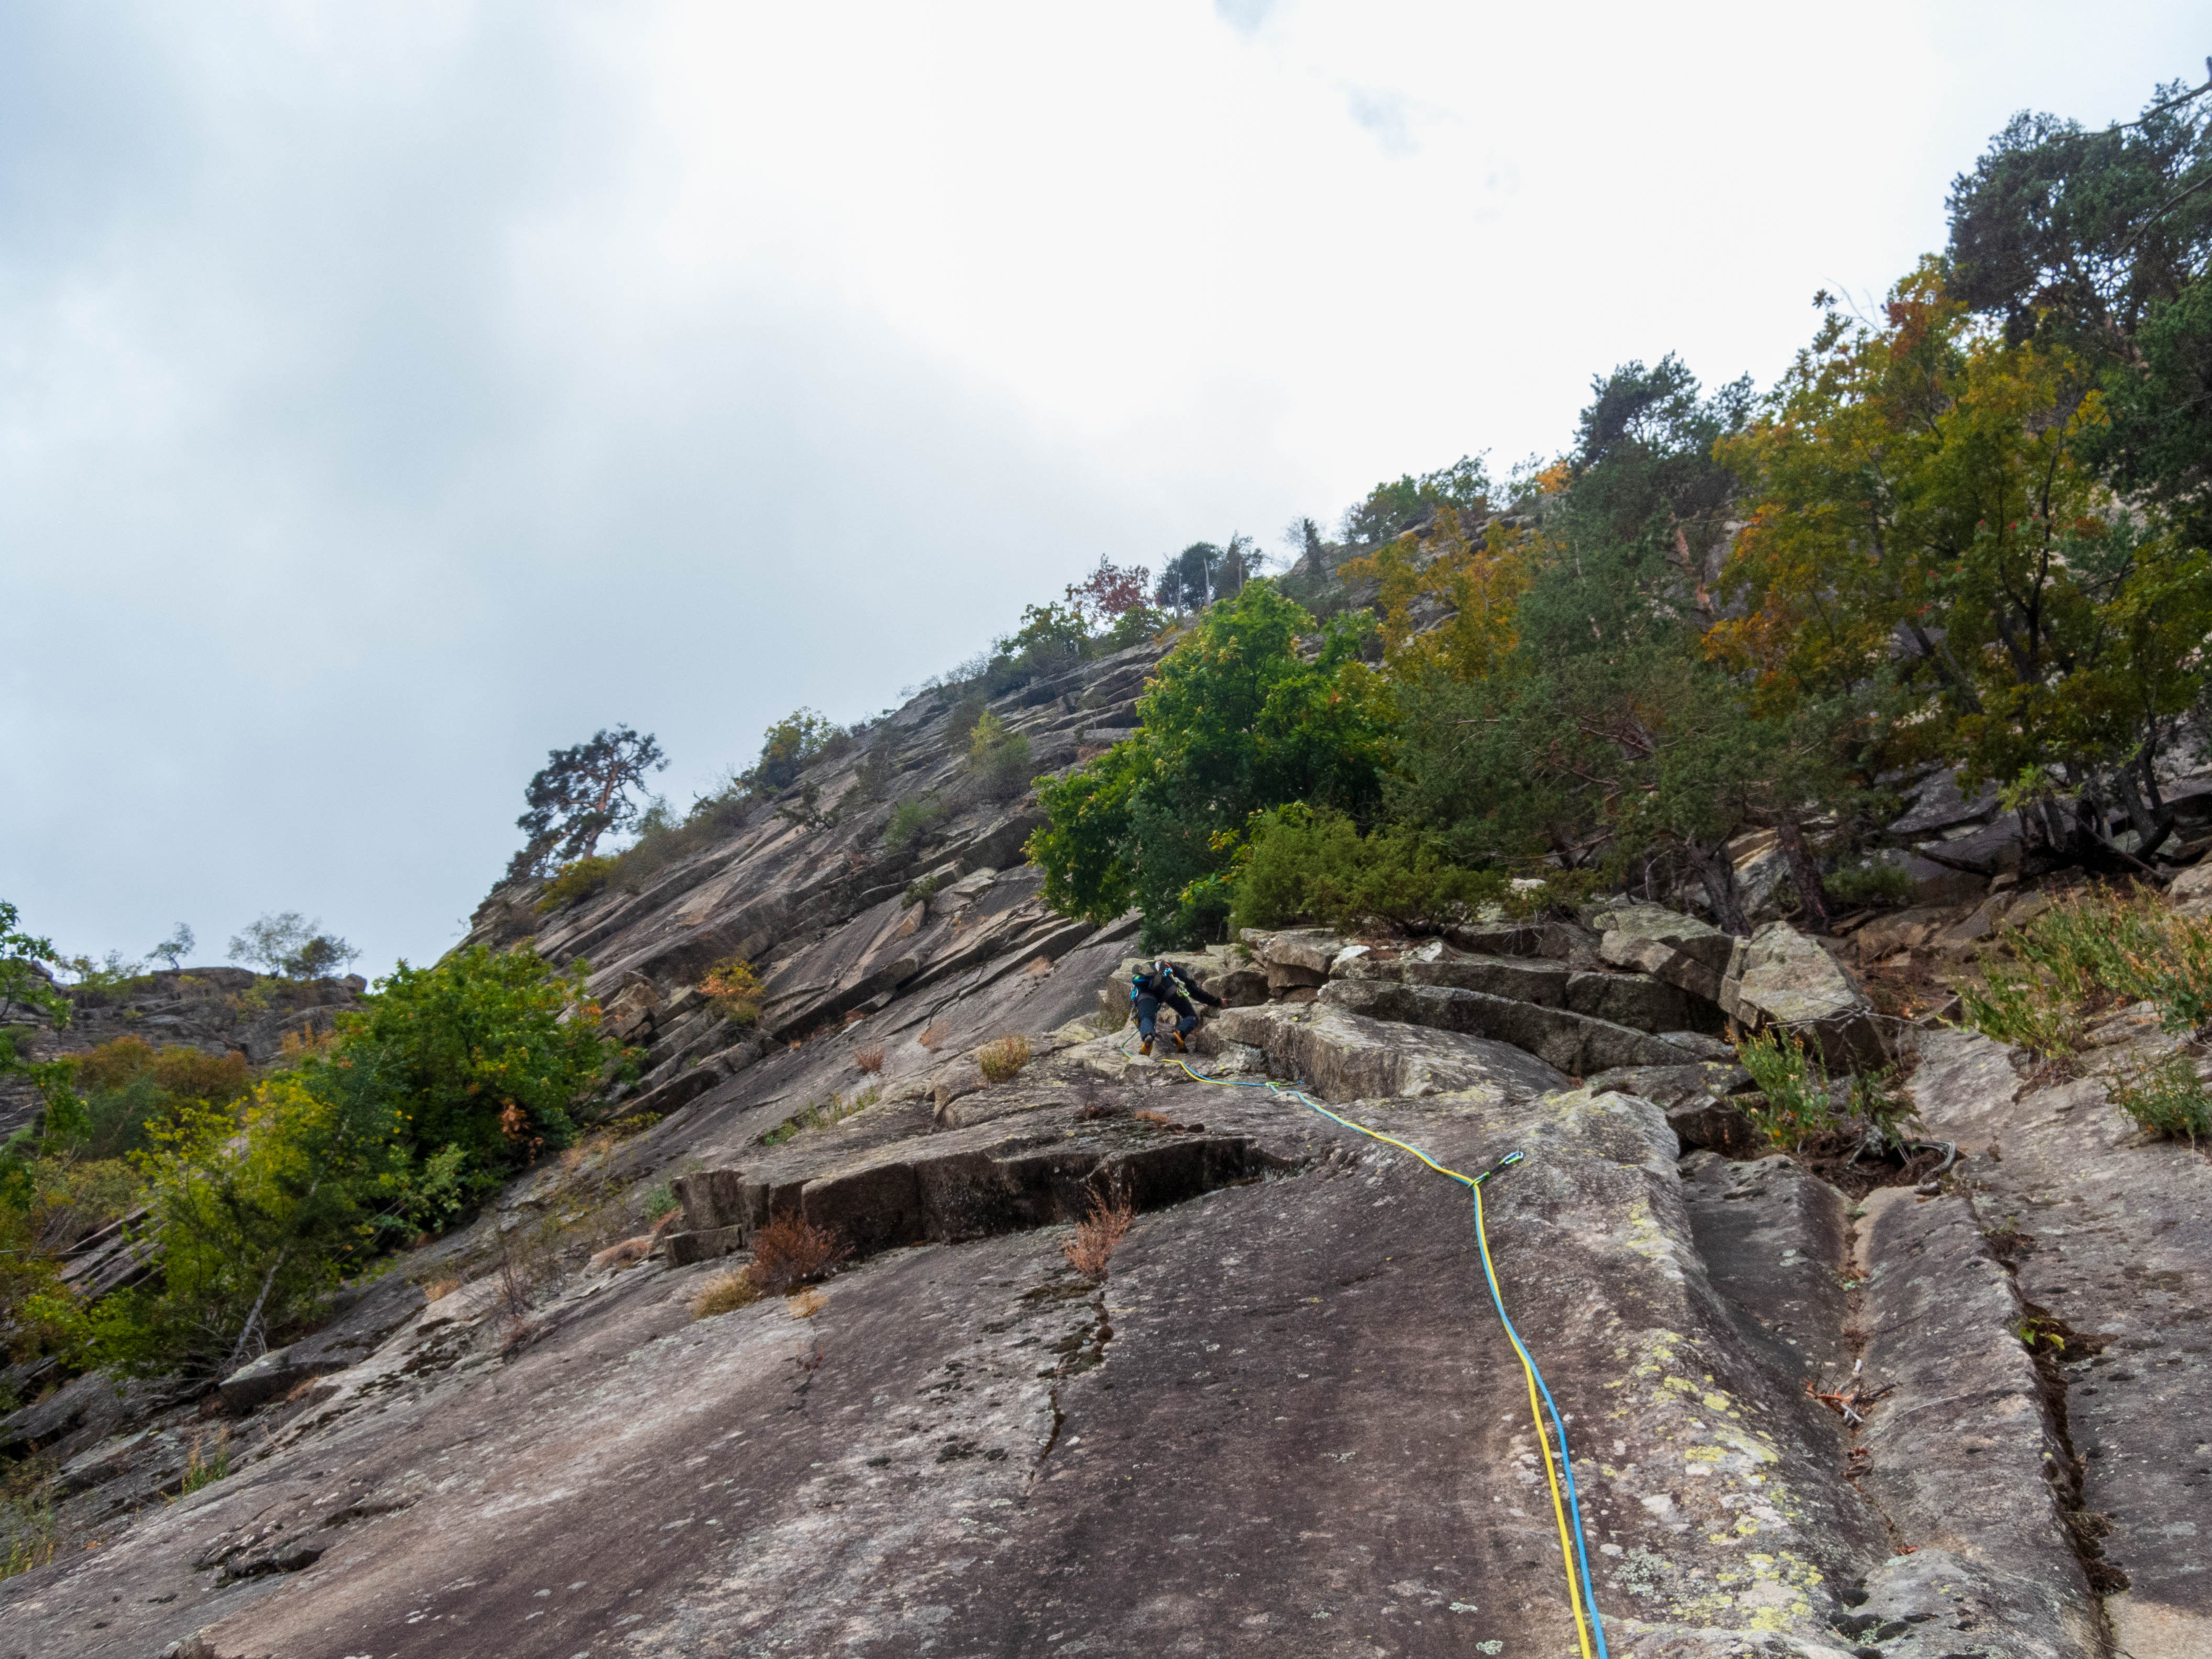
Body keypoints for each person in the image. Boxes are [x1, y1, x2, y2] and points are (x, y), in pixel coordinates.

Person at [1129, 958, 1223, 1055]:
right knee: (1191, 1016)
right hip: (1168, 986)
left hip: (1144, 991)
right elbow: (1193, 990)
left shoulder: (1142, 973)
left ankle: (1148, 1035)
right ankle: (1180, 1034)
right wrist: (1217, 1002)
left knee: (1146, 1017)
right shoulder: (1172, 967)